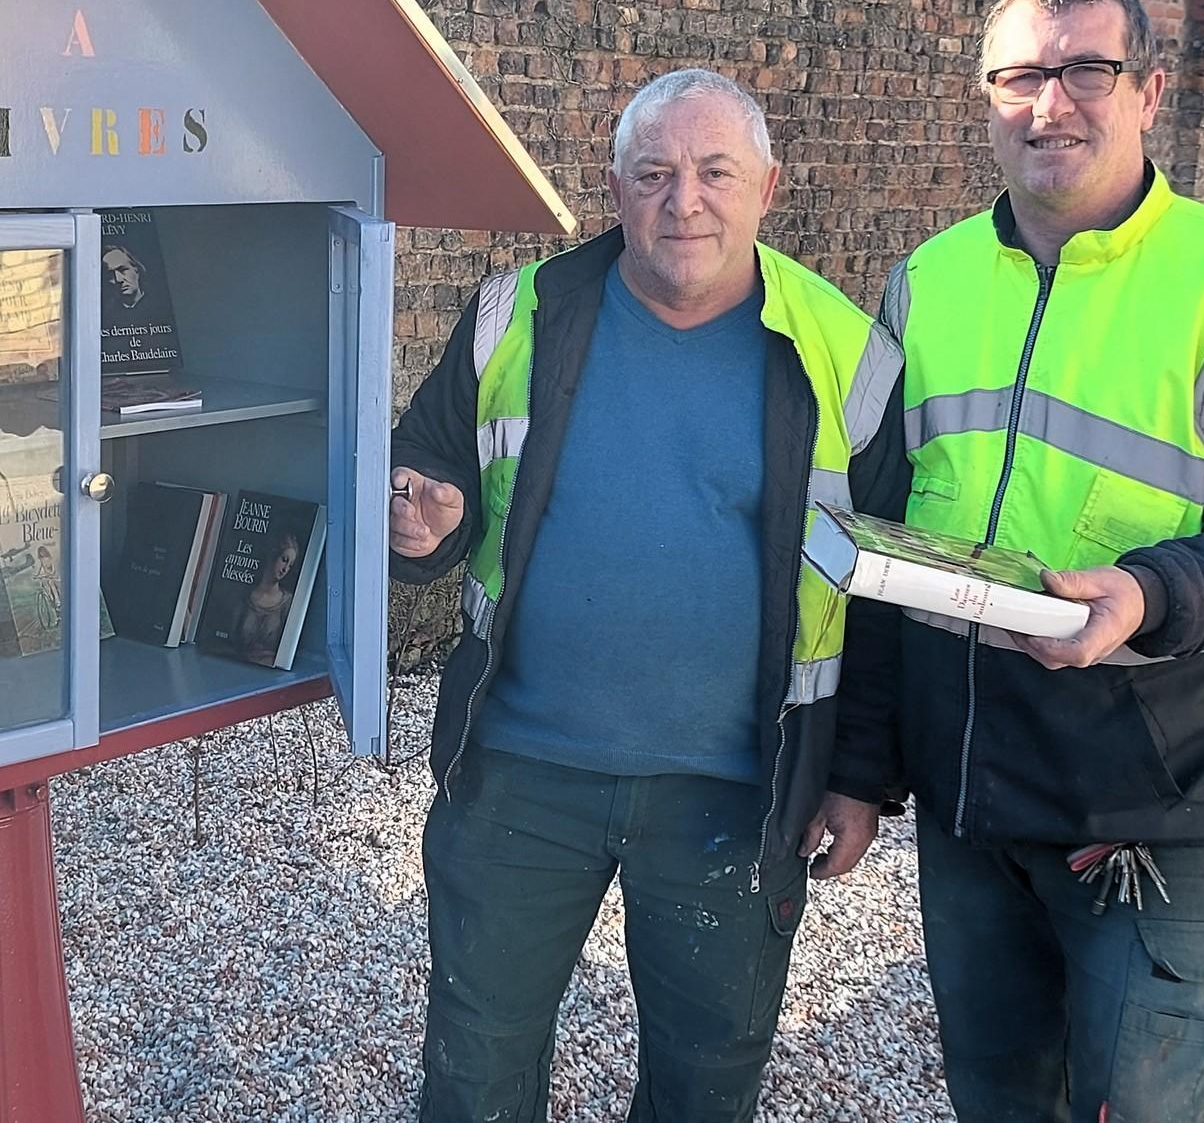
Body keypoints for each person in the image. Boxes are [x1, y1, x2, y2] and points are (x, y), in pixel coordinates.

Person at [879, 0, 1204, 1123]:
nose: (1049, 104)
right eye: (1018, 77)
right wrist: (862, 767)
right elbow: (883, 541)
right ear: (985, 97)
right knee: (996, 1100)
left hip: (1150, 806)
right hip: (968, 795)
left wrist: (1149, 593)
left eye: (1084, 72)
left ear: (1147, 91)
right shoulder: (927, 282)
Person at [387, 69, 909, 1122]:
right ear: (612, 187)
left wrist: (859, 775)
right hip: (520, 772)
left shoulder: (846, 356)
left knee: (704, 1082)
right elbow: (424, 473)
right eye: (653, 174)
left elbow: (886, 596)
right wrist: (418, 526)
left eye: (714, 173)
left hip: (734, 788)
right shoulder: (513, 317)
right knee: (474, 1070)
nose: (684, 202)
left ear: (767, 187)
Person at [230, 530, 302, 664]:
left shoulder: (288, 603)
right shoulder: (245, 596)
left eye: (290, 565)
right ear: (272, 556)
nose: (286, 569)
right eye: (284, 560)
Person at [102, 244, 147, 310]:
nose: (118, 279)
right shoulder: (109, 316)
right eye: (111, 274)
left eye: (122, 270)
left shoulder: (160, 306)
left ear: (136, 270)